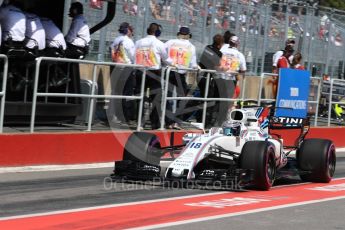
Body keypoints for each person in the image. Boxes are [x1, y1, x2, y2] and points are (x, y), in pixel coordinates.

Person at [134, 22, 167, 129]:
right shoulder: (159, 43)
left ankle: (139, 123)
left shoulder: (138, 42)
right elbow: (166, 59)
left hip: (140, 72)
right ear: (157, 32)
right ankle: (155, 124)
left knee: (140, 97)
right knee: (156, 98)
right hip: (154, 73)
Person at [164, 26, 198, 129]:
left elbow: (162, 53)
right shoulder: (191, 46)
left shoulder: (170, 42)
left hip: (169, 71)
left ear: (179, 34)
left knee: (167, 98)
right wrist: (197, 67)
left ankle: (167, 122)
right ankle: (176, 122)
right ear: (188, 35)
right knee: (182, 98)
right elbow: (193, 64)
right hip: (181, 73)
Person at [108, 22, 136, 125]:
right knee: (126, 94)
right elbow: (133, 57)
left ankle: (114, 116)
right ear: (127, 30)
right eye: (130, 30)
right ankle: (124, 117)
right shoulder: (128, 41)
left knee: (116, 93)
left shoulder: (116, 40)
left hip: (116, 67)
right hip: (126, 68)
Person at [197, 34, 224, 127]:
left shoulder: (207, 47)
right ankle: (205, 122)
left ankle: (199, 119)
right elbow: (217, 67)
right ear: (220, 44)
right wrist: (224, 69)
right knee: (208, 99)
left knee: (202, 97)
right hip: (207, 77)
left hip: (200, 75)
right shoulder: (219, 53)